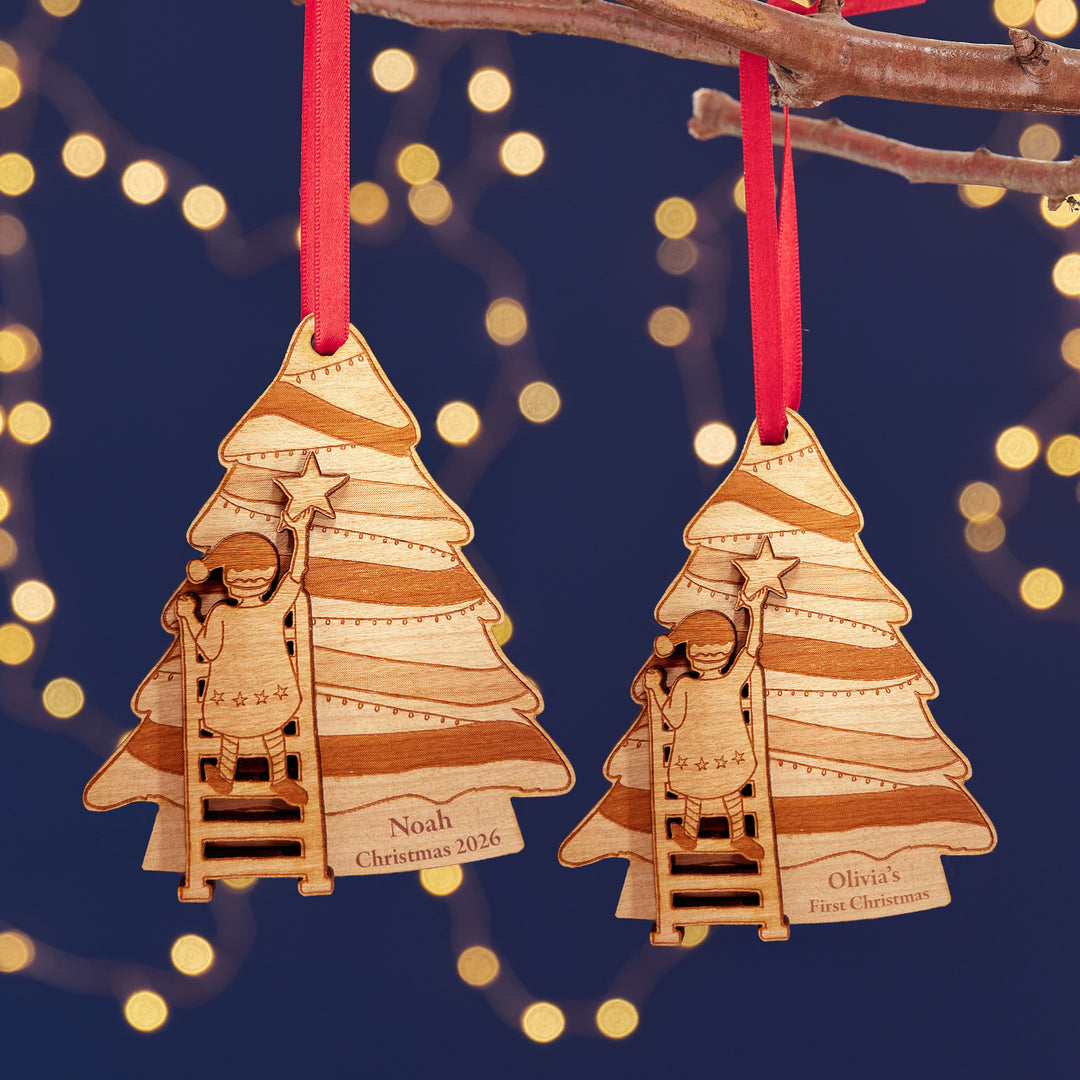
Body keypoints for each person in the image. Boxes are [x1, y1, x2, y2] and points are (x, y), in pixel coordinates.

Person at [175, 511, 312, 807]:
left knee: (256, 730)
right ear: (227, 579)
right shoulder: (231, 612)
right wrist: (189, 617)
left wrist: (300, 531)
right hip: (245, 690)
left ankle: (266, 779)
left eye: (259, 577)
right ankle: (243, 777)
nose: (249, 583)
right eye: (241, 577)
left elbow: (297, 575)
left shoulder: (266, 609)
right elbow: (209, 650)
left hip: (261, 688)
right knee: (251, 729)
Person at [643, 591, 768, 859]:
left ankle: (693, 833)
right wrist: (754, 611)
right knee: (725, 792)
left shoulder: (701, 683)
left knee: (705, 794)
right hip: (716, 754)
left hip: (711, 754)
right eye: (704, 652)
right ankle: (733, 835)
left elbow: (673, 718)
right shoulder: (718, 681)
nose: (710, 656)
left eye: (717, 652)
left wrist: (656, 689)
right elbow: (752, 649)